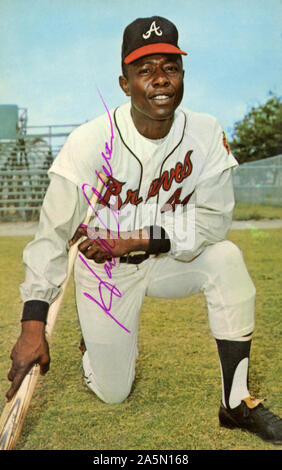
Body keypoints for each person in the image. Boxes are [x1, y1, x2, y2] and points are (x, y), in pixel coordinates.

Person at [6, 16, 282, 445]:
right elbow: (51, 235)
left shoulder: (205, 133)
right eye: (145, 69)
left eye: (170, 68)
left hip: (171, 258)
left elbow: (215, 218)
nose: (159, 80)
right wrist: (32, 326)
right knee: (114, 393)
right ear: (123, 81)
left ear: (183, 76)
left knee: (227, 258)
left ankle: (235, 401)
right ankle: (94, 353)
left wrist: (135, 238)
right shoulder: (88, 142)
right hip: (105, 273)